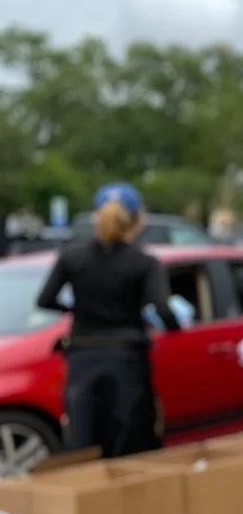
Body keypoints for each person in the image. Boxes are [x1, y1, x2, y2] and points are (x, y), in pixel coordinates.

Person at [35, 183, 180, 457]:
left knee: (85, 438)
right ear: (138, 221)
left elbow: (45, 300)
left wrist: (77, 309)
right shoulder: (144, 262)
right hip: (127, 358)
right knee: (131, 438)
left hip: (82, 358)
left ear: (95, 218)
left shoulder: (71, 257)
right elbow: (163, 308)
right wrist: (174, 328)